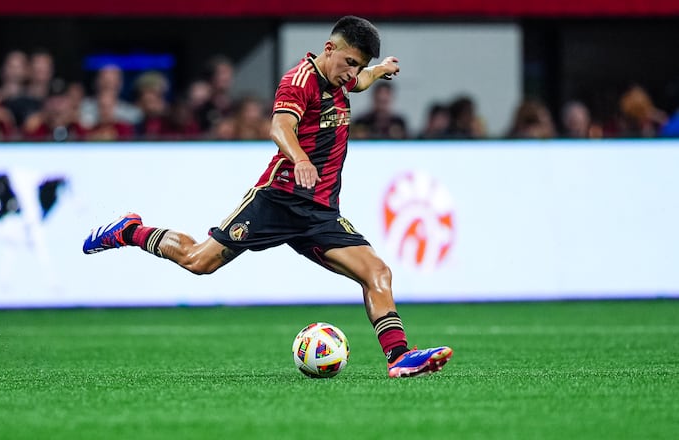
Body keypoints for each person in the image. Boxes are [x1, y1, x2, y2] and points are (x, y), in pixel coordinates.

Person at [82, 16, 453, 378]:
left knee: (377, 272)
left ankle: (399, 357)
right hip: (277, 200)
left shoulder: (347, 76)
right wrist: (301, 158)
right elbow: (279, 125)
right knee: (199, 262)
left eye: (359, 66)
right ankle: (131, 230)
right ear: (329, 49)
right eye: (349, 63)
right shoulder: (299, 80)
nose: (352, 73)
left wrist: (381, 69)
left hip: (320, 212)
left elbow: (362, 81)